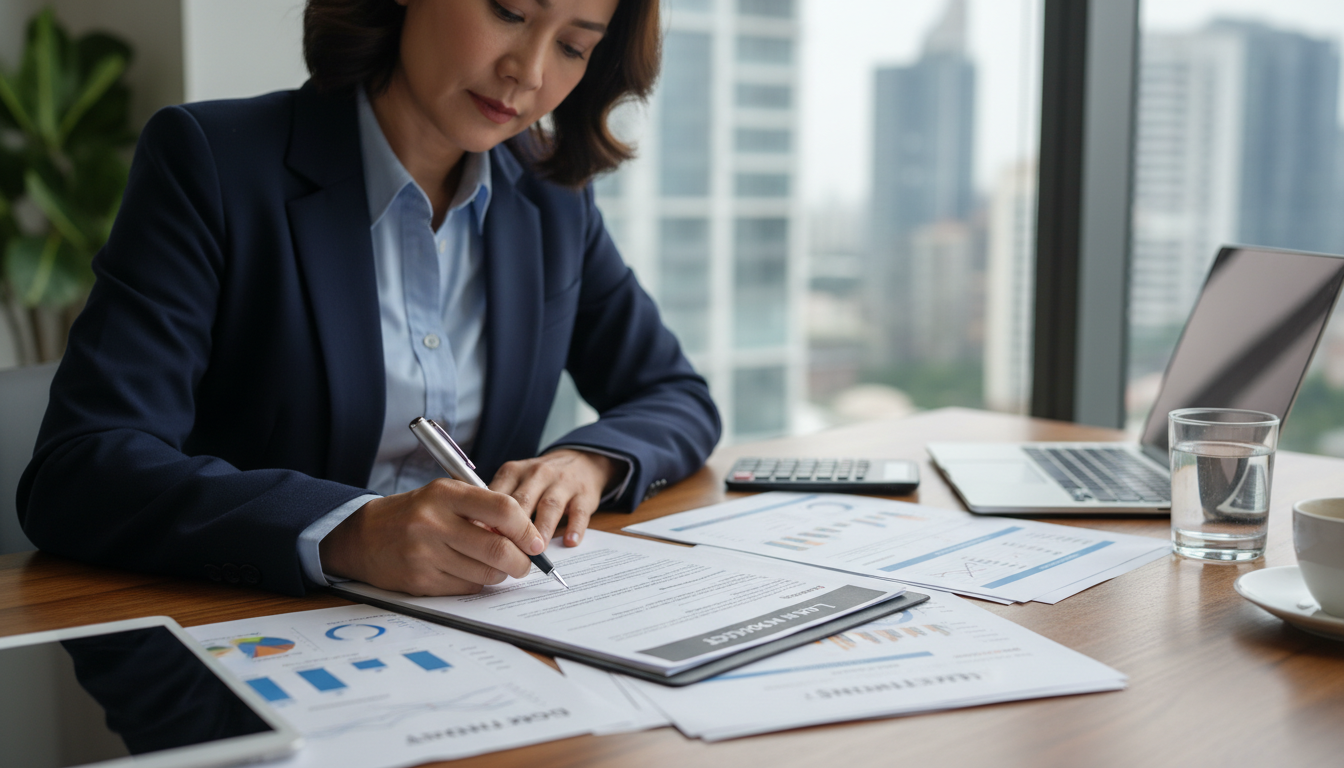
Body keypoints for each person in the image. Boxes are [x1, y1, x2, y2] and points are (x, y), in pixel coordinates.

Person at [17, 0, 720, 598]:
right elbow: (82, 470)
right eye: (508, 11)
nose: (529, 74)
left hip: (479, 638)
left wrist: (587, 460)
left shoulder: (549, 198)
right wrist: (347, 531)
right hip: (255, 633)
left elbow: (675, 394)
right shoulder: (212, 162)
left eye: (572, 46)